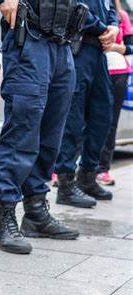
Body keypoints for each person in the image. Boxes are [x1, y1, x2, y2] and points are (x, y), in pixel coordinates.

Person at [0, 0, 80, 255]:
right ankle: (2, 222)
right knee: (21, 133)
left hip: (62, 44)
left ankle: (36, 213)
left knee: (51, 136)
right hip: (30, 37)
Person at [55, 0, 119, 208]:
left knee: (103, 115)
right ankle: (65, 184)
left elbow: (111, 9)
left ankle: (88, 177)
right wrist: (103, 29)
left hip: (98, 53)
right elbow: (73, 7)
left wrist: (114, 26)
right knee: (73, 119)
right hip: (78, 49)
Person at [98, 1, 133, 185]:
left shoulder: (122, 16)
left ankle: (103, 169)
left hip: (118, 73)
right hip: (93, 68)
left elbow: (131, 47)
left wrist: (118, 48)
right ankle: (67, 170)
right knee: (82, 120)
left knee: (111, 123)